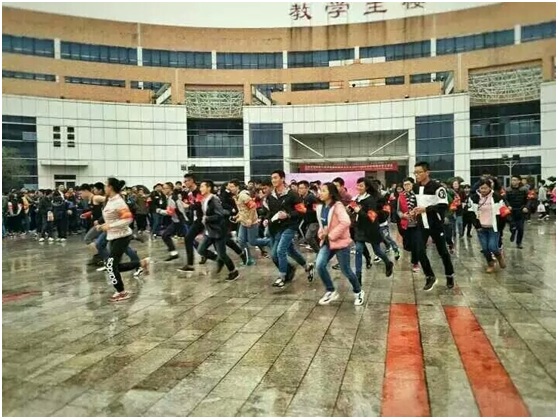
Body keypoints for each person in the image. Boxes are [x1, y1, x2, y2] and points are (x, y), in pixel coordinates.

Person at [98, 177, 149, 302]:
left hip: (122, 236)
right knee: (113, 266)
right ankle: (140, 263)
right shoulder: (110, 200)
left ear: (110, 187)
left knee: (110, 265)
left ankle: (121, 292)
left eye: (105, 185)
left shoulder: (119, 202)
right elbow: (111, 217)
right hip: (113, 236)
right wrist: (102, 224)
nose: (104, 188)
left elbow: (128, 219)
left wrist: (110, 226)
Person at [315, 182, 364, 306]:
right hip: (327, 243)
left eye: (324, 190)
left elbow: (346, 222)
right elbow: (322, 224)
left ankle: (358, 292)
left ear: (331, 193)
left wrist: (332, 235)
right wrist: (321, 233)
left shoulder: (338, 206)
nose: (321, 193)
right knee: (319, 265)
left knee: (346, 270)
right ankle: (331, 290)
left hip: (340, 242)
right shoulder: (320, 207)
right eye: (320, 190)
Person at [411, 162, 455, 291]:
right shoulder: (415, 187)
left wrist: (426, 209)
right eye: (415, 173)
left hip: (435, 223)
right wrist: (414, 211)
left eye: (419, 172)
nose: (417, 175)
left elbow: (443, 205)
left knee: (443, 252)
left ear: (427, 172)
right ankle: (430, 276)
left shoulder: (437, 187)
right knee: (419, 251)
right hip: (421, 223)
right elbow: (417, 203)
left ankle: (449, 275)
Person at [267, 170, 313, 288]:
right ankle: (307, 267)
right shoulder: (271, 196)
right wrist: (266, 219)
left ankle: (282, 277)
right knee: (283, 253)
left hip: (290, 226)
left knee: (280, 251)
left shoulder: (292, 194)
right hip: (277, 228)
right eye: (272, 178)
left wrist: (288, 215)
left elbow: (302, 210)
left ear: (282, 179)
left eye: (275, 177)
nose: (273, 180)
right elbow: (271, 212)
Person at [350, 177, 394, 285]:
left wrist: (359, 211)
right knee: (358, 250)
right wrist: (351, 209)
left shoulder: (371, 200)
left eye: (361, 185)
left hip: (371, 229)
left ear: (367, 187)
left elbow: (372, 217)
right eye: (357, 185)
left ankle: (388, 263)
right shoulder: (357, 198)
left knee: (377, 251)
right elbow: (355, 210)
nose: (358, 187)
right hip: (360, 228)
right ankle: (358, 276)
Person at [196, 180, 240, 281]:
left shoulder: (214, 199)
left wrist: (207, 218)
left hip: (218, 231)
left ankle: (233, 271)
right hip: (209, 231)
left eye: (202, 186)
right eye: (200, 186)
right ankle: (218, 259)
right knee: (201, 250)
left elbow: (220, 215)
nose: (200, 188)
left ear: (209, 188)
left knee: (222, 254)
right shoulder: (204, 199)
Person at [228, 179, 270, 266]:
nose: (230, 188)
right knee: (241, 240)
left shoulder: (243, 196)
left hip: (251, 222)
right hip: (243, 222)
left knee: (253, 241)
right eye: (229, 186)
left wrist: (250, 219)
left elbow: (253, 206)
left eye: (232, 186)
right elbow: (243, 209)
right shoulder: (236, 196)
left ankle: (270, 241)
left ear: (237, 187)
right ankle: (248, 259)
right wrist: (236, 216)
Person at [468, 180, 507, 273]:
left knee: (492, 247)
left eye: (485, 188)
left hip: (494, 226)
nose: (483, 190)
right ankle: (490, 264)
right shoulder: (473, 198)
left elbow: (503, 211)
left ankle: (499, 257)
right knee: (485, 248)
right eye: (481, 188)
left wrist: (501, 225)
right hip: (481, 227)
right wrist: (476, 224)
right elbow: (470, 212)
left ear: (490, 188)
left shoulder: (497, 197)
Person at [158, 182, 189, 262]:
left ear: (170, 189)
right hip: (176, 221)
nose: (163, 190)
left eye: (165, 188)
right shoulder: (171, 198)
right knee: (165, 235)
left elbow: (170, 212)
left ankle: (203, 253)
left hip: (180, 221)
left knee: (190, 239)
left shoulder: (172, 198)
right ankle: (174, 254)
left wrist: (159, 211)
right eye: (163, 188)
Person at [397, 177, 420, 272]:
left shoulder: (417, 195)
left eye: (408, 184)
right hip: (406, 224)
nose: (406, 186)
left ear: (412, 185)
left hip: (416, 224)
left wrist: (416, 212)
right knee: (407, 245)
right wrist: (403, 215)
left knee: (415, 244)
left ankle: (415, 262)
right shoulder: (401, 196)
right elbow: (398, 210)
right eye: (405, 185)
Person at [297, 180, 320, 254]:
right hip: (307, 221)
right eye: (299, 188)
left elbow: (317, 210)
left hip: (314, 221)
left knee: (309, 237)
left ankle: (319, 252)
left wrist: (306, 210)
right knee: (312, 238)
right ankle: (319, 253)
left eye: (302, 188)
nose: (300, 190)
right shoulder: (301, 198)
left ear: (307, 188)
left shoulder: (311, 198)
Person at [506, 175, 529, 249]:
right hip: (511, 211)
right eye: (512, 180)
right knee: (512, 226)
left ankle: (519, 243)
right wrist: (508, 205)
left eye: (515, 180)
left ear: (519, 181)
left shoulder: (524, 189)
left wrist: (526, 207)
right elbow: (505, 199)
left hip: (520, 210)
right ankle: (513, 232)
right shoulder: (507, 190)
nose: (513, 181)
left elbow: (528, 200)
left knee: (520, 228)